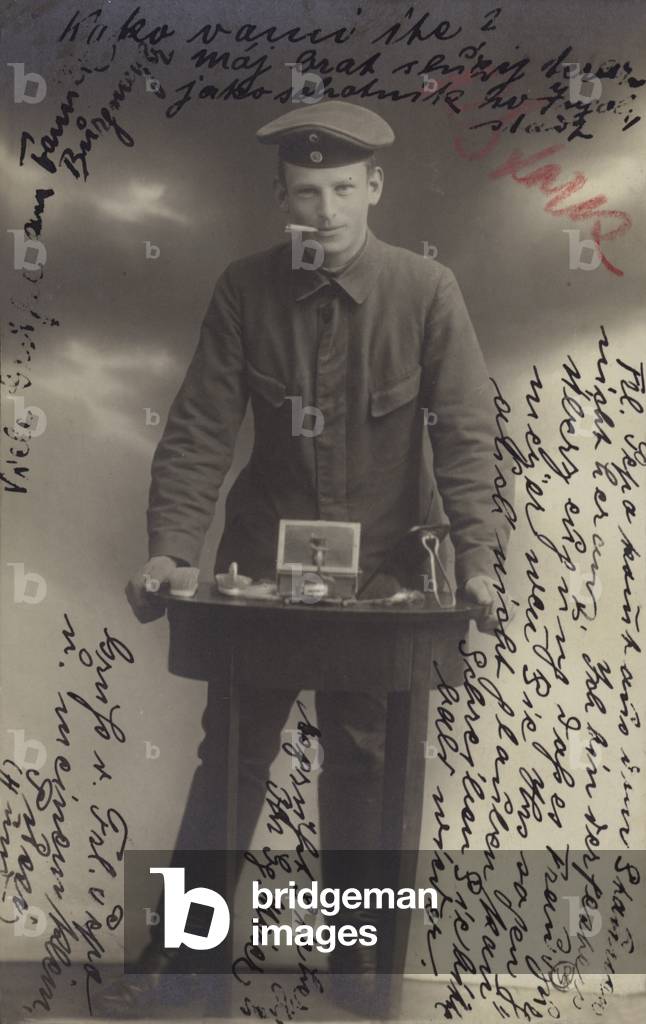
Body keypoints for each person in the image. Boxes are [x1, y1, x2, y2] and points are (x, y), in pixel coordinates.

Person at [105, 100, 503, 1017]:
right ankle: (185, 966)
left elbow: (467, 438)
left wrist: (479, 559)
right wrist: (171, 552)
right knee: (231, 759)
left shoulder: (426, 292)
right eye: (302, 193)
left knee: (362, 759)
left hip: (385, 578)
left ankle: (357, 971)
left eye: (338, 190)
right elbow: (201, 428)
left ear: (373, 187)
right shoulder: (245, 289)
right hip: (260, 575)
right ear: (280, 196)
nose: (321, 212)